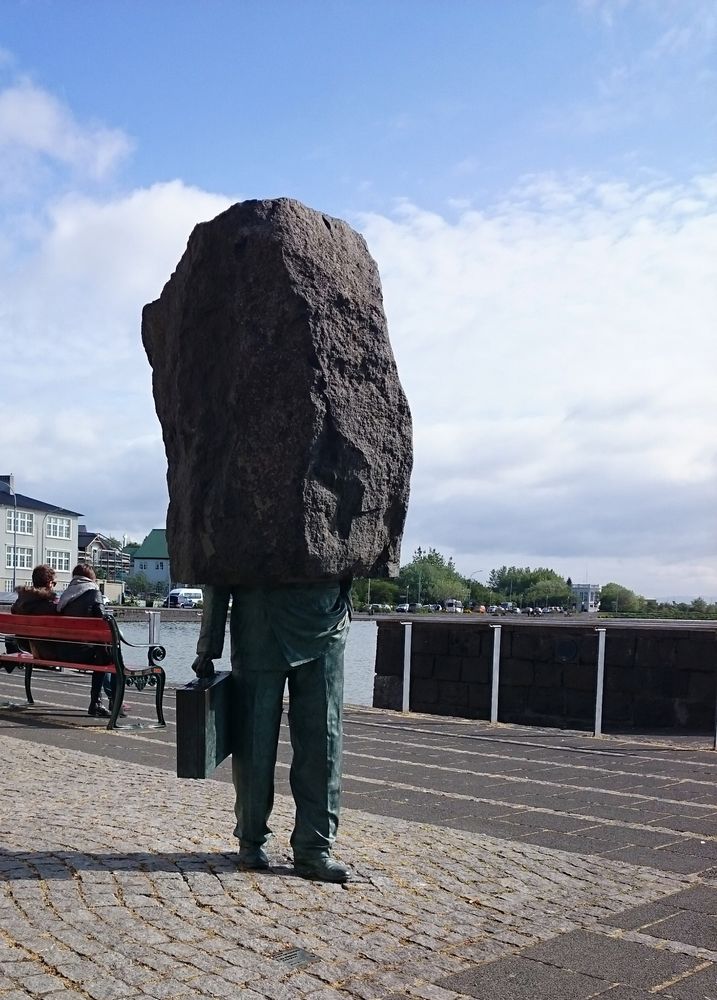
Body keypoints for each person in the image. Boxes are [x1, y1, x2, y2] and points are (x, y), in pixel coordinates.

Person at [192, 579, 352, 883]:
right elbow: (217, 563)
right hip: (259, 620)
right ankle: (251, 840)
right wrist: (208, 645)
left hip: (324, 621)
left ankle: (314, 847)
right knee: (255, 741)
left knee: (324, 740)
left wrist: (343, 609)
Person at [58, 564, 116, 718]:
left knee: (105, 652)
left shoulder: (66, 595)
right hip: (84, 653)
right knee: (111, 655)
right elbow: (105, 623)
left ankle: (109, 701)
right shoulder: (94, 593)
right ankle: (101, 703)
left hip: (63, 652)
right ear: (91, 578)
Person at [10, 564, 60, 660]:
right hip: (48, 651)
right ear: (50, 583)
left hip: (23, 646)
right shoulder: (51, 606)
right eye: (54, 583)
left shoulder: (19, 604)